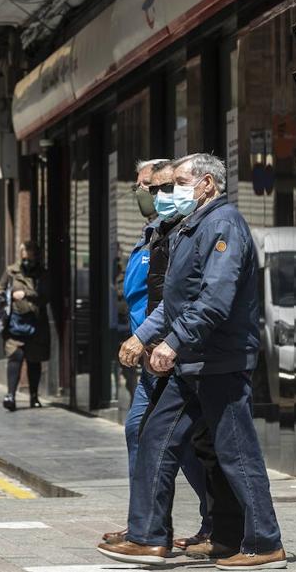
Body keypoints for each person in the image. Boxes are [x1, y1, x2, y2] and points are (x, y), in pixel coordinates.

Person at [98, 154, 285, 570]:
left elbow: (215, 300)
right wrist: (143, 336)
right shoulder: (189, 229)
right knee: (154, 440)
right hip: (192, 364)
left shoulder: (223, 225)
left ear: (206, 184)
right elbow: (173, 303)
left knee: (236, 453)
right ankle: (149, 539)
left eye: (179, 182)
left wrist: (174, 343)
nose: (170, 191)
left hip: (218, 361)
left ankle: (264, 543)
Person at [104, 159, 213, 548]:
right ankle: (145, 525)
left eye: (152, 188)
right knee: (154, 435)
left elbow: (190, 299)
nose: (148, 196)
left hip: (172, 352)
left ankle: (165, 529)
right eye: (145, 189)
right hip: (153, 349)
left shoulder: (189, 231)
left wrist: (162, 341)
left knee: (176, 440)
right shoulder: (154, 232)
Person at [0, 241, 50, 411]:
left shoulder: (42, 274)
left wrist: (26, 294)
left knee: (34, 360)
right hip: (15, 323)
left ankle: (34, 396)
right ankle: (10, 395)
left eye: (30, 254)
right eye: (24, 254)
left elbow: (45, 296)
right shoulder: (11, 271)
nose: (26, 258)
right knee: (15, 356)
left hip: (36, 324)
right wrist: (5, 298)